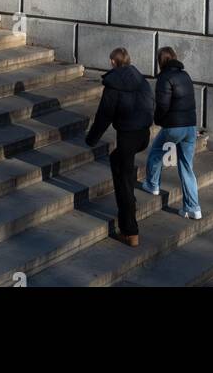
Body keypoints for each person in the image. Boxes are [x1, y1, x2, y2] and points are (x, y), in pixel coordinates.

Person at [84, 47, 154, 246]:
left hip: (127, 136)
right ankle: (131, 200)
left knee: (122, 180)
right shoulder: (141, 80)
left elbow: (104, 115)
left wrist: (92, 139)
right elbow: (151, 104)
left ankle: (130, 231)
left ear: (113, 62)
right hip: (143, 135)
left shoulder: (113, 85)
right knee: (118, 161)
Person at [141, 46, 201, 219]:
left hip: (174, 126)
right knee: (186, 166)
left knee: (156, 152)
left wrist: (158, 120)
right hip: (190, 126)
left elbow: (162, 105)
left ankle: (152, 184)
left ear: (160, 61)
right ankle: (193, 208)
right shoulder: (185, 75)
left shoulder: (164, 78)